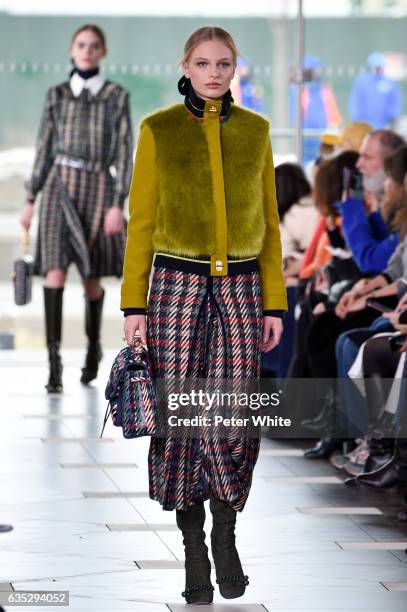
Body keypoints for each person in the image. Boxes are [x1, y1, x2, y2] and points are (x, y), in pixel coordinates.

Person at [121, 26, 287, 605]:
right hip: (173, 287)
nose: (214, 72)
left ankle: (225, 531)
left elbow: (269, 223)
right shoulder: (158, 131)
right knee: (181, 421)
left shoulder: (257, 133)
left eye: (223, 63)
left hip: (241, 287)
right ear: (185, 67)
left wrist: (275, 301)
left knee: (233, 416)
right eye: (202, 62)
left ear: (235, 68)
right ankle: (193, 547)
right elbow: (141, 223)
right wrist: (133, 305)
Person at [20, 24, 133, 393]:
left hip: (98, 188)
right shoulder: (56, 95)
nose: (87, 51)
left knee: (91, 278)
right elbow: (43, 147)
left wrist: (119, 203)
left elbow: (124, 152)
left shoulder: (116, 96)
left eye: (94, 46)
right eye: (81, 45)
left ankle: (93, 348)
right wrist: (30, 198)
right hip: (58, 186)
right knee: (53, 273)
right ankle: (53, 365)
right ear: (72, 49)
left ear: (103, 52)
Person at [349, 51, 403, 129]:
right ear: (371, 66)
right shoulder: (361, 81)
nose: (379, 69)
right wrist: (356, 117)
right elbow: (355, 100)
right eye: (376, 66)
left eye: (380, 66)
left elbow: (396, 100)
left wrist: (392, 115)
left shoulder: (390, 82)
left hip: (384, 123)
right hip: (365, 123)